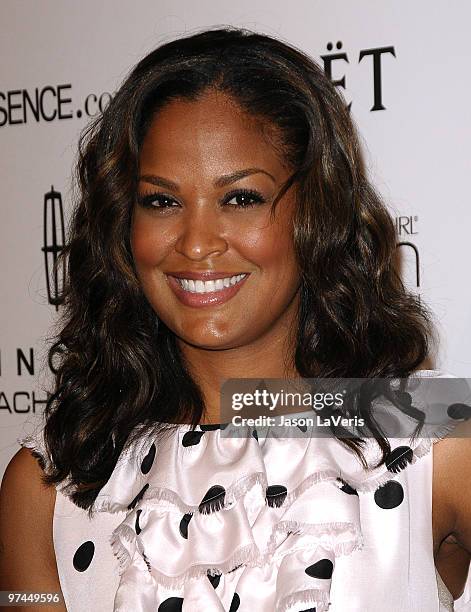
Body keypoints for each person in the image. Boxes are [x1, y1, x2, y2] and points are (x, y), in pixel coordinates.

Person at [0, 26, 470, 612]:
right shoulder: (49, 484)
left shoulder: (436, 434)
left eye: (241, 198)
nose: (196, 243)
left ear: (316, 214)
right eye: (162, 201)